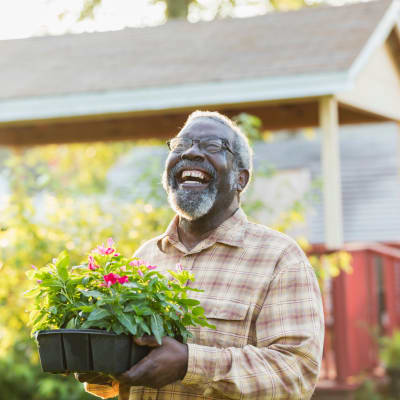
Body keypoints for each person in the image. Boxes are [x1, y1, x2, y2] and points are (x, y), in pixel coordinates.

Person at [77, 111, 324, 399]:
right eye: (181, 146)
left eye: (213, 147)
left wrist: (189, 364)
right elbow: (119, 383)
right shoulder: (145, 257)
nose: (192, 152)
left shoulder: (280, 259)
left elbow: (295, 374)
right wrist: (100, 366)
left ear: (240, 179)